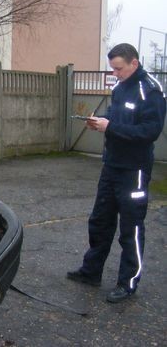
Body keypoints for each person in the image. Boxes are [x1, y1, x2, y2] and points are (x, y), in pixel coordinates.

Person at [67, 43, 166, 303]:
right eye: (112, 68)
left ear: (134, 63)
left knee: (130, 228)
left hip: (134, 171)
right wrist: (98, 123)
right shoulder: (119, 88)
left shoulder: (150, 91)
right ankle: (91, 271)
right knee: (100, 221)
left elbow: (149, 132)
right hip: (111, 167)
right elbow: (114, 119)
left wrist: (110, 127)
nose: (115, 73)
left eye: (118, 68)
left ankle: (128, 283)